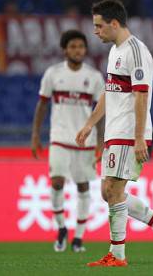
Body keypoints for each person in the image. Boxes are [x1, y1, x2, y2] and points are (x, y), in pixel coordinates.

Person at [76, 0, 153, 267]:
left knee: (113, 188)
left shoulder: (136, 51)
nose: (95, 31)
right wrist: (90, 123)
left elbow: (140, 96)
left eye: (99, 26)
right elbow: (110, 92)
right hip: (115, 130)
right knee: (108, 191)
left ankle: (118, 254)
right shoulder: (116, 51)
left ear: (114, 23)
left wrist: (138, 138)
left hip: (128, 132)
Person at [31, 30, 105, 253]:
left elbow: (100, 111)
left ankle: (79, 238)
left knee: (83, 185)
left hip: (85, 140)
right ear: (65, 50)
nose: (77, 50)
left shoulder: (94, 76)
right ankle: (61, 228)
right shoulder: (53, 74)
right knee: (56, 182)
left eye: (80, 47)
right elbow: (42, 105)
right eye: (72, 47)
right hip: (60, 138)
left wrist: (101, 141)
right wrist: (35, 134)